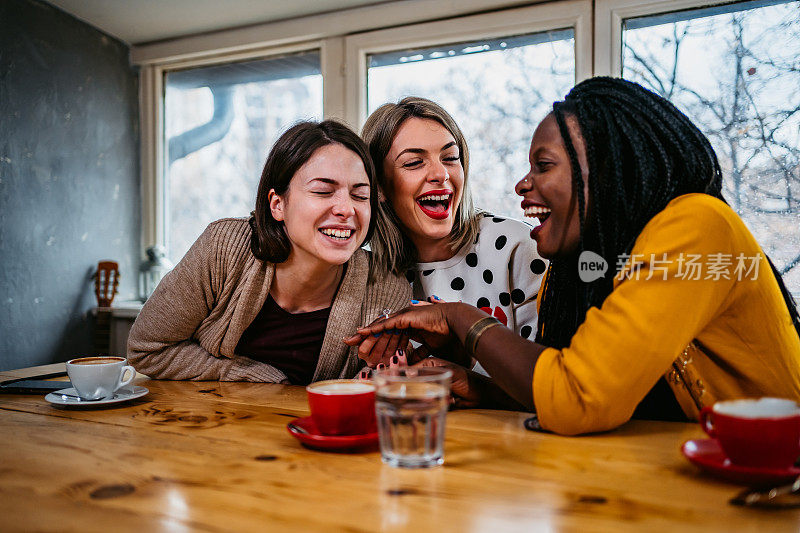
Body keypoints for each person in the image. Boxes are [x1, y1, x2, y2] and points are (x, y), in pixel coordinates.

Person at [346, 77, 800, 435]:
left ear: (605, 170)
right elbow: (565, 381)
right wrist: (477, 382)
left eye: (543, 166)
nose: (521, 185)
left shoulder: (695, 226)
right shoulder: (588, 265)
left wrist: (462, 319)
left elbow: (576, 399)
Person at [128, 120, 411, 384]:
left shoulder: (386, 287)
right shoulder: (224, 248)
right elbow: (146, 350)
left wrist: (382, 377)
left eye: (360, 196)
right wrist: (250, 374)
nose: (346, 209)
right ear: (278, 205)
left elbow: (370, 387)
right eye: (323, 191)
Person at [361, 97, 547, 372]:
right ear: (379, 187)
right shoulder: (369, 273)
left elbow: (545, 378)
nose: (441, 174)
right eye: (414, 162)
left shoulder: (517, 246)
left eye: (450, 158)